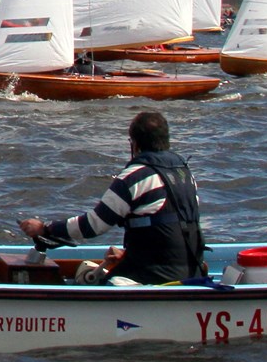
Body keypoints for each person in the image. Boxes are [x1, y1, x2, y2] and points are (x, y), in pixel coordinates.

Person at [19, 110, 204, 285]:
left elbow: (92, 226)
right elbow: (169, 227)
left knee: (89, 281)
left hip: (154, 276)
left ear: (134, 144)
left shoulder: (135, 177)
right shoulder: (185, 175)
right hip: (190, 271)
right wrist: (127, 256)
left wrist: (45, 228)